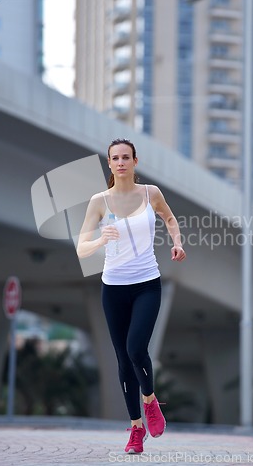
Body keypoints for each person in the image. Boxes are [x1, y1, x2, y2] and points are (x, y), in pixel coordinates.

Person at [77, 138, 186, 454]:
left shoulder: (151, 194)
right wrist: (99, 240)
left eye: (126, 157)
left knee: (136, 347)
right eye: (115, 158)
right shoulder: (100, 201)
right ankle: (136, 429)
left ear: (135, 161)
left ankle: (150, 400)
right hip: (113, 289)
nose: (121, 162)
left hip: (146, 285)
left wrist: (177, 242)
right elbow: (81, 247)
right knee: (123, 361)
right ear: (109, 164)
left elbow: (169, 218)